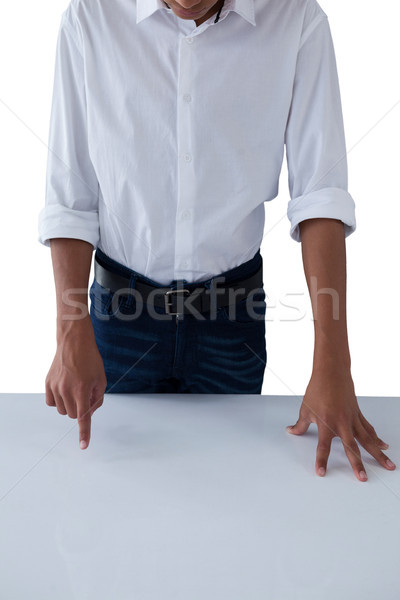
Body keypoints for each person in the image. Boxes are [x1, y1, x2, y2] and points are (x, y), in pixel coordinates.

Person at [38, 0, 396, 482]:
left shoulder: (297, 21)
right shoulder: (89, 18)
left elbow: (320, 195)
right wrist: (69, 329)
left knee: (231, 493)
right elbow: (72, 195)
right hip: (117, 324)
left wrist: (334, 364)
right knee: (109, 491)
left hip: (232, 324)